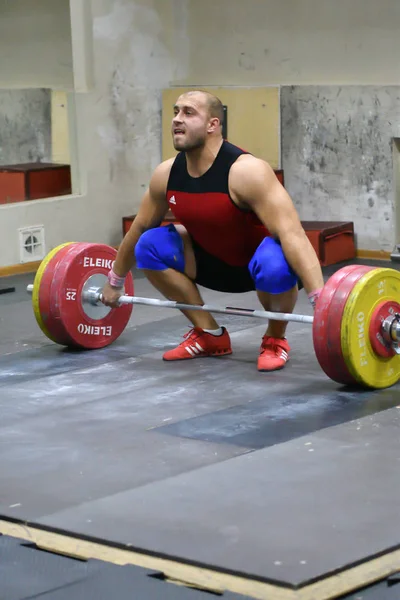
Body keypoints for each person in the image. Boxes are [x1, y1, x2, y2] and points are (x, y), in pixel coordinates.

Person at [101, 90, 324, 371]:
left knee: (274, 261)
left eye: (189, 113)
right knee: (149, 244)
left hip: (260, 268)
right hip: (209, 262)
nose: (177, 120)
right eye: (176, 112)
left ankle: (275, 339)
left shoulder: (247, 172)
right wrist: (115, 280)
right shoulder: (166, 174)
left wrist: (321, 301)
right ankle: (210, 335)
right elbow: (140, 227)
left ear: (213, 125)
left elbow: (292, 234)